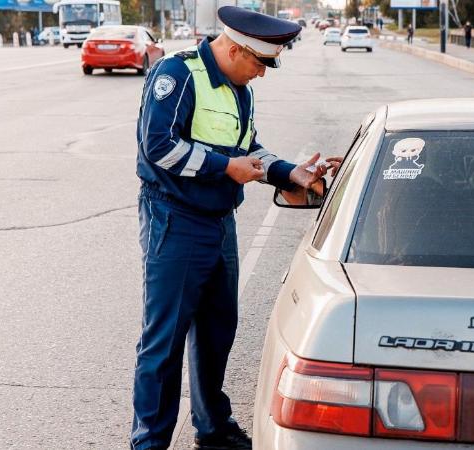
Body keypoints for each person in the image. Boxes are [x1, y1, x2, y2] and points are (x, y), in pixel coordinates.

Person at [131, 6, 337, 450]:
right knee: (162, 342)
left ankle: (212, 428)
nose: (263, 74)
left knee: (217, 330)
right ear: (237, 48)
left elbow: (248, 148)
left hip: (219, 223)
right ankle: (149, 442)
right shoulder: (178, 73)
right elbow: (157, 147)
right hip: (176, 221)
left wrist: (289, 173)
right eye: (260, 63)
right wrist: (226, 167)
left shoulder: (239, 88)